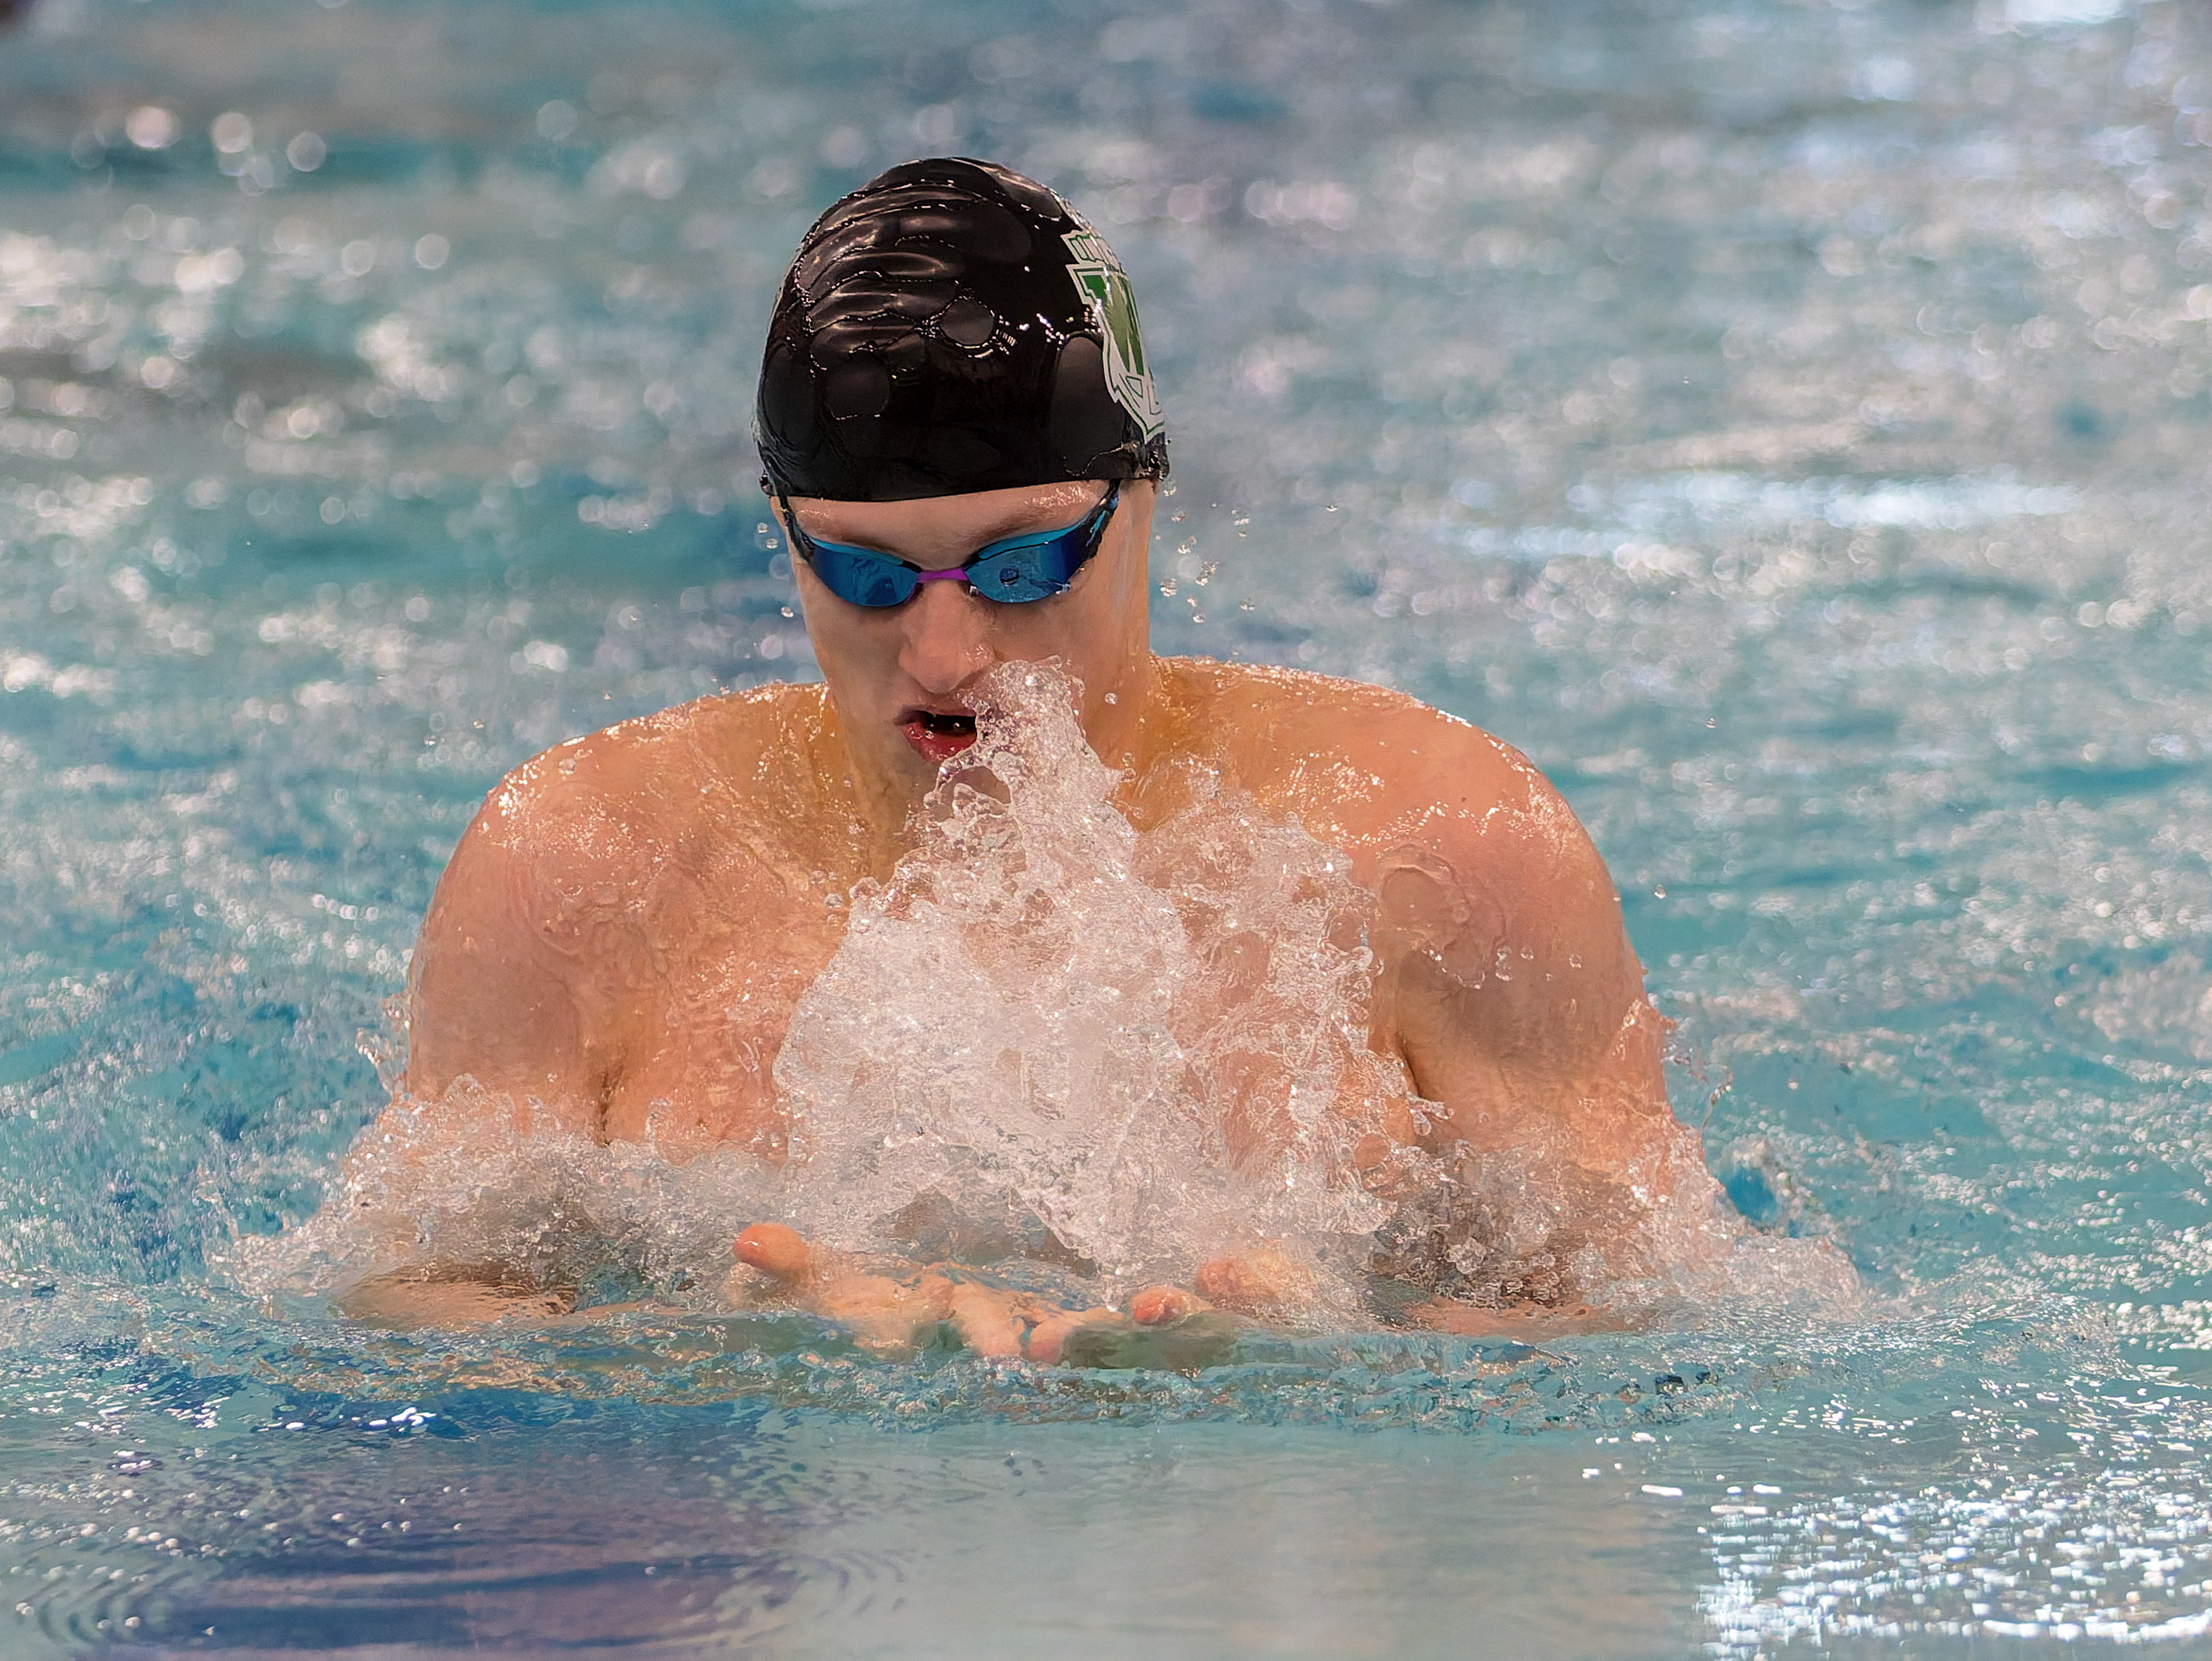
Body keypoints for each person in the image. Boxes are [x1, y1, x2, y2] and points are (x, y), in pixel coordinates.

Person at [356, 157, 1711, 1356]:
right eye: (864, 571)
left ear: (1143, 500)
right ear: (781, 530)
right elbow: (407, 1311)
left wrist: (1341, 1359)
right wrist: (723, 1343)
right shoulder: (584, 866)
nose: (944, 652)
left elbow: (1659, 1315)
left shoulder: (1441, 839)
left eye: (1024, 561)